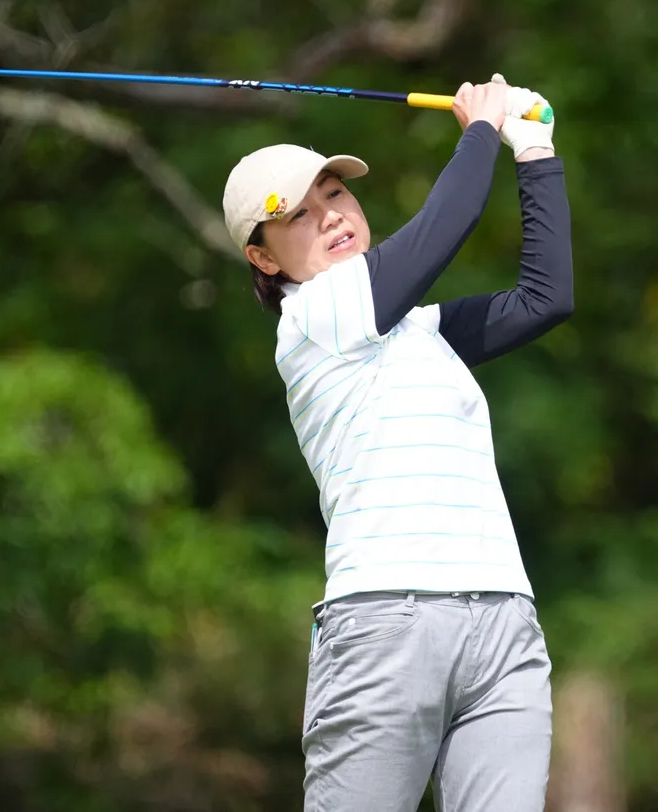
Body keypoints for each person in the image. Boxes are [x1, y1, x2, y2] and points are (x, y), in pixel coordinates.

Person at [219, 73, 572, 812]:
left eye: (336, 194)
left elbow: (545, 299)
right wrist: (483, 127)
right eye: (299, 214)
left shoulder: (419, 327)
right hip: (385, 623)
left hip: (502, 622)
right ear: (264, 259)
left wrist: (535, 151)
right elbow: (445, 225)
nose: (331, 215)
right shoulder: (315, 317)